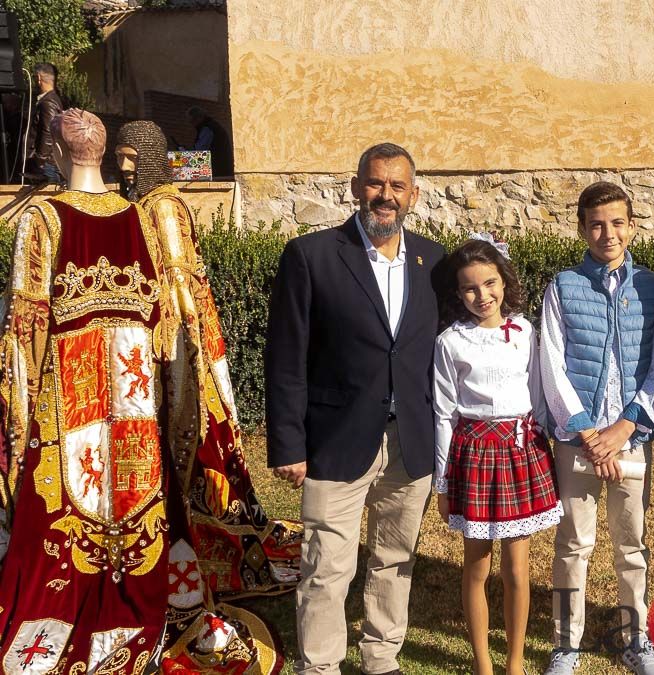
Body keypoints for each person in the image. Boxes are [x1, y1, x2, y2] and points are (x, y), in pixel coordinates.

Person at [0, 109, 297, 674]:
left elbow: (24, 327)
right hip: (139, 410)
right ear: (108, 155)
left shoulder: (40, 217)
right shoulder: (138, 217)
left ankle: (66, 615)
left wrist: (15, 419)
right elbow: (172, 328)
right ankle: (146, 607)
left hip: (68, 408)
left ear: (60, 156)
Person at [266, 142, 445, 675]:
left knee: (396, 559)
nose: (384, 195)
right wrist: (288, 444)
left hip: (410, 440)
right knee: (326, 566)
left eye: (396, 186)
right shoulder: (312, 255)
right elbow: (286, 357)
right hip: (336, 439)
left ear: (413, 194)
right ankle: (319, 665)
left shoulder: (434, 262)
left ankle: (380, 657)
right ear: (355, 187)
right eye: (375, 183)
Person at [538, 181, 654, 675]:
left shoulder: (652, 287)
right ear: (582, 229)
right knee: (574, 542)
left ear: (632, 226)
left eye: (617, 223)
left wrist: (627, 425)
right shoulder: (563, 286)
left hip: (630, 440)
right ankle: (565, 645)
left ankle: (636, 640)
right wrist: (587, 433)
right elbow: (552, 361)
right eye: (596, 224)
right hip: (580, 442)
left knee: (631, 542)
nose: (607, 233)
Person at [433, 236, 562, 675]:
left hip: (520, 451)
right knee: (476, 565)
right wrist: (443, 481)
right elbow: (444, 414)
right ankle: (483, 663)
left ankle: (516, 660)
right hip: (474, 456)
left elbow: (538, 396)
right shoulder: (450, 342)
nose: (482, 296)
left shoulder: (525, 331)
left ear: (505, 283)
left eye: (490, 284)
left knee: (517, 568)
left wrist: (541, 443)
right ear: (458, 293)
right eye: (470, 288)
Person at [24, 63, 64, 184]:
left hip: (45, 166)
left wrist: (39, 161)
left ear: (39, 78)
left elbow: (48, 131)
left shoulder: (48, 102)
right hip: (47, 164)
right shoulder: (52, 99)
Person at [187, 106, 233, 178]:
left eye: (192, 121)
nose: (192, 125)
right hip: (223, 169)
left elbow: (199, 151)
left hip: (218, 172)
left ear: (199, 118)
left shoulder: (207, 129)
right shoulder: (214, 126)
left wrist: (186, 153)